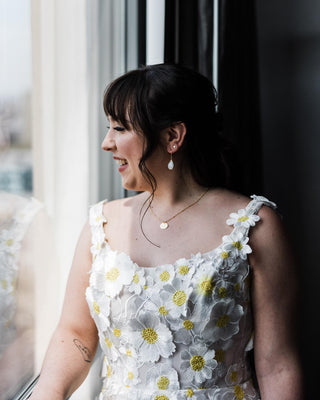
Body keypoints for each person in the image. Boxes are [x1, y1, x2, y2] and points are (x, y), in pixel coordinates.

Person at [30, 63, 304, 400]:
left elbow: (277, 362)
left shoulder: (254, 226)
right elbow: (75, 333)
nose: (106, 143)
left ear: (173, 137)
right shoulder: (100, 225)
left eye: (119, 128)